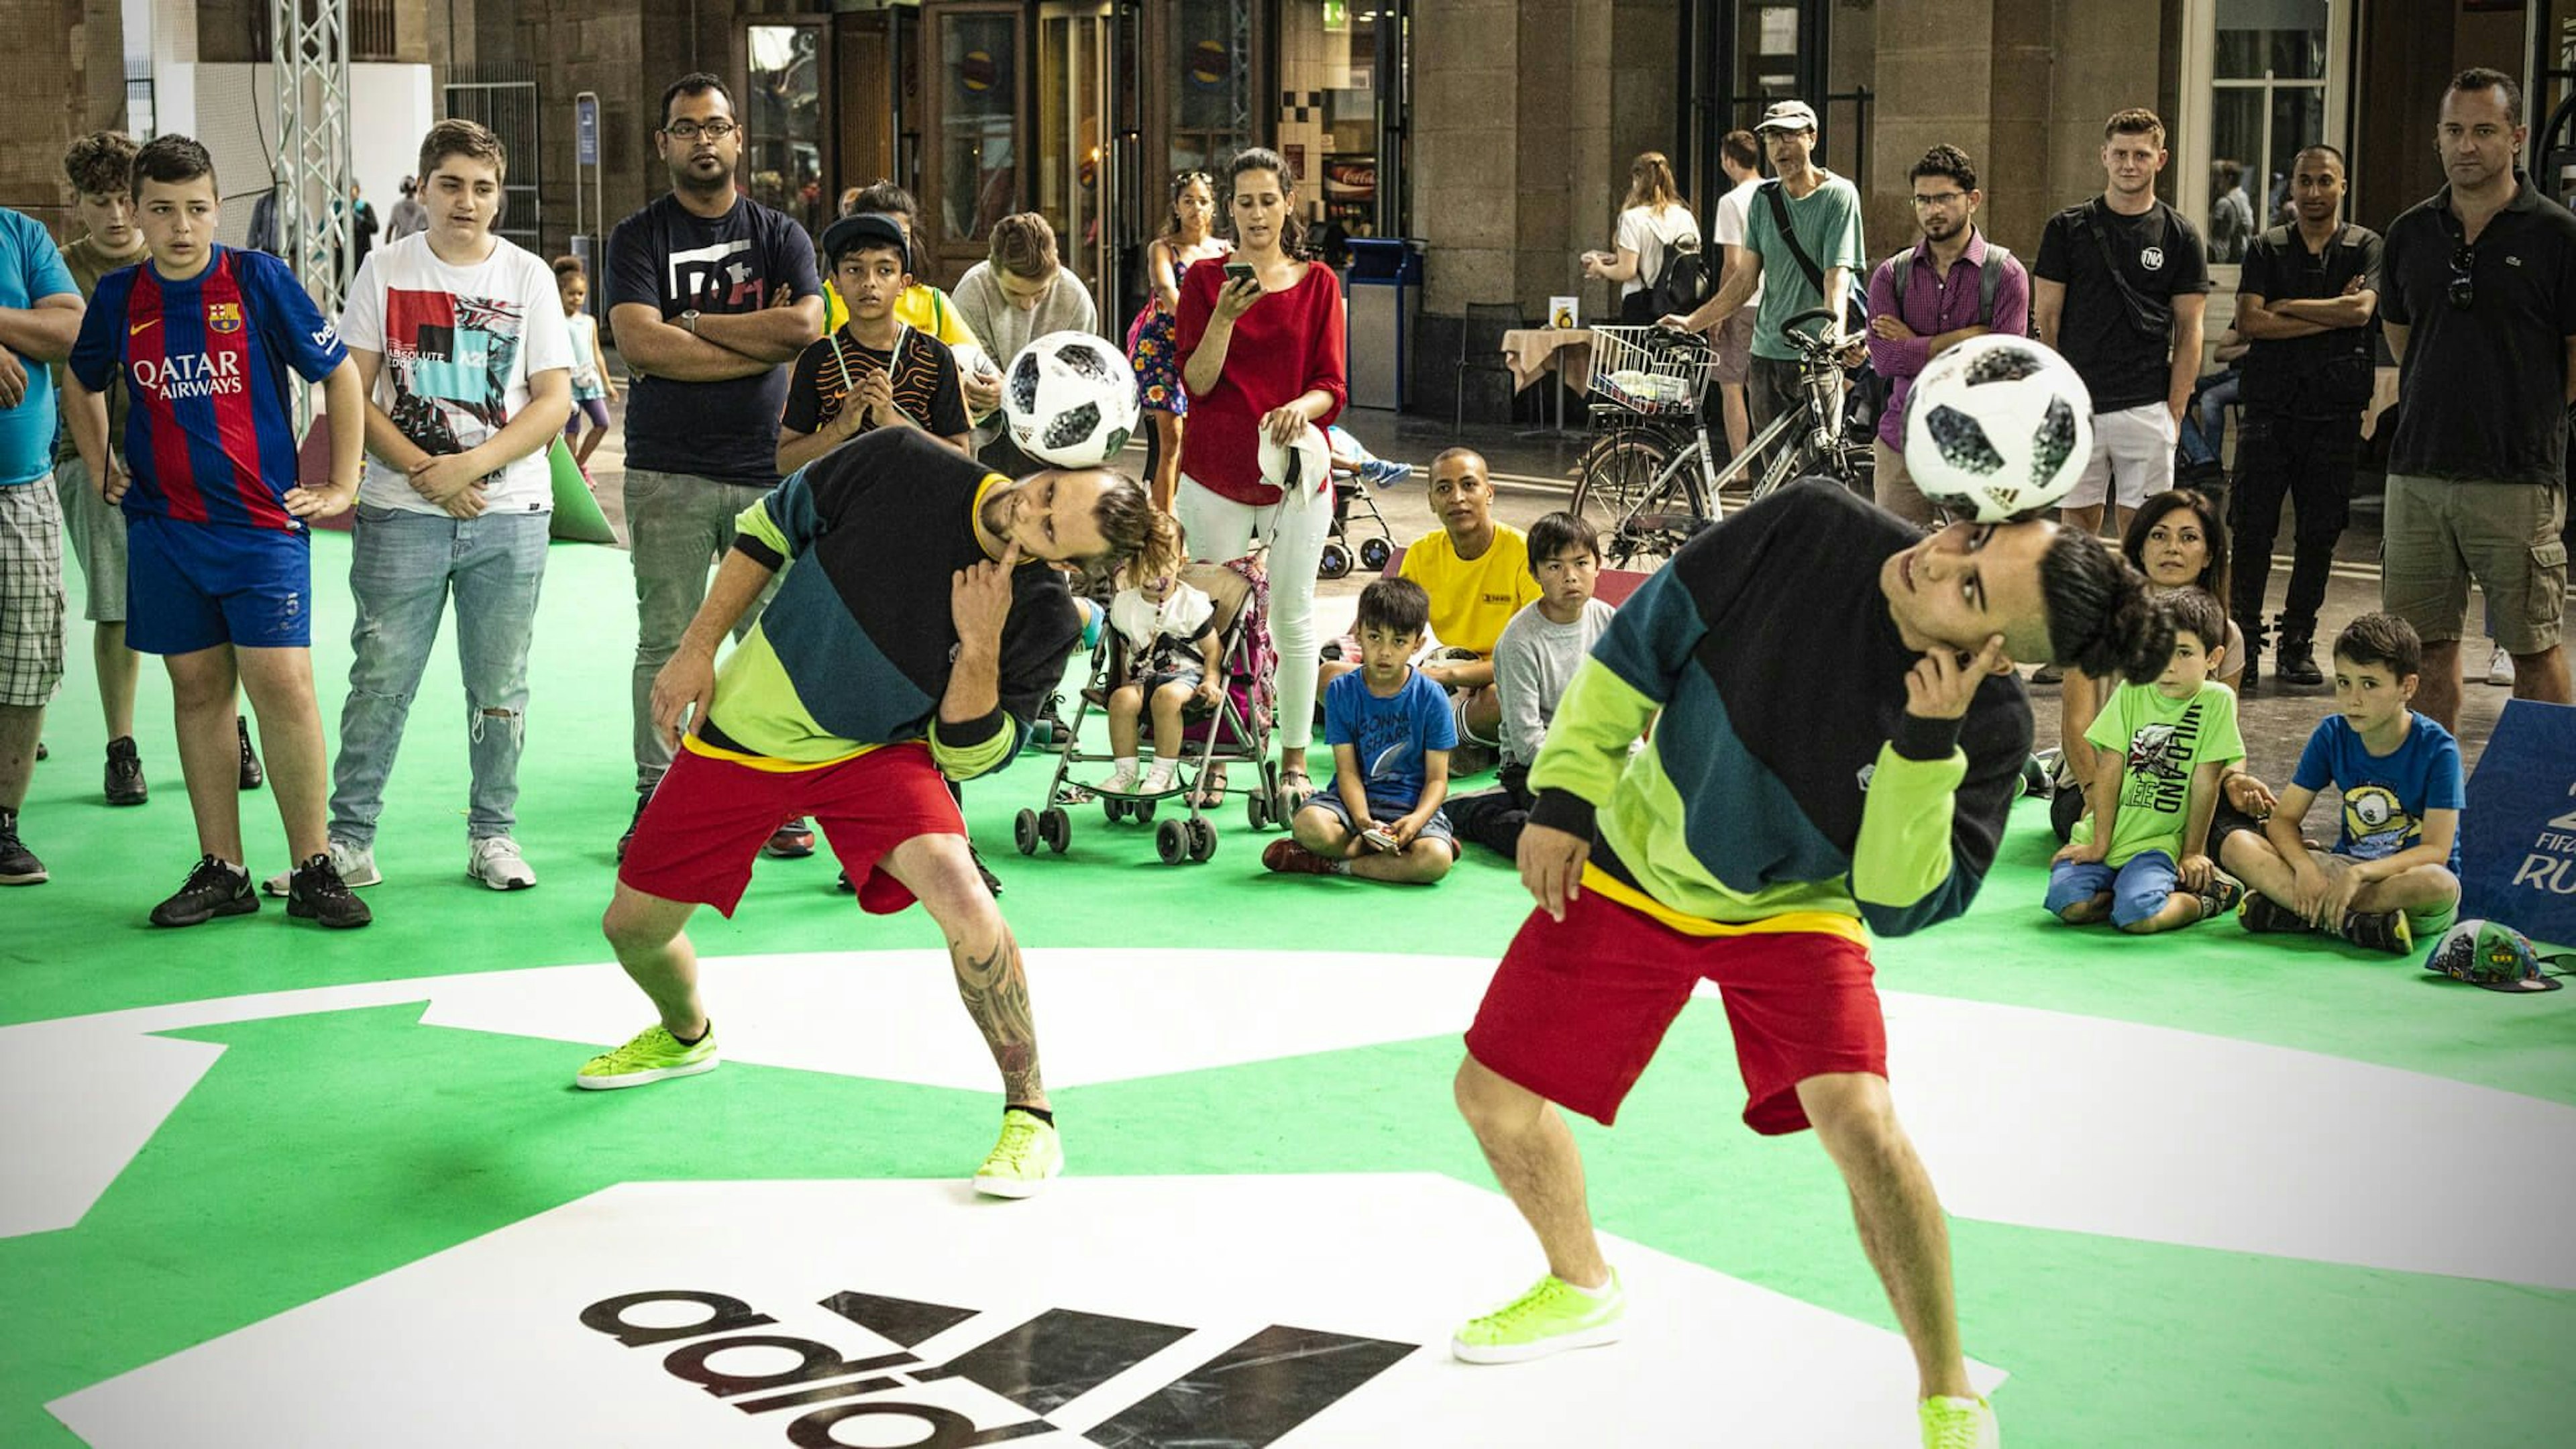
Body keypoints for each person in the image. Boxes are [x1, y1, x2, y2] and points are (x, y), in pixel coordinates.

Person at [1445, 479, 2172, 1449]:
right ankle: (1582, 1284)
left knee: (1864, 1124)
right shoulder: (1812, 522)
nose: (1938, 556)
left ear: (1992, 653)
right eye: (1970, 535)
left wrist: (1923, 745)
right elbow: (1644, 640)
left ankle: (1948, 1388)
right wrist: (1569, 797)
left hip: (1801, 907)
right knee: (1490, 1097)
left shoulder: (1991, 729)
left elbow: (1899, 903)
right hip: (1639, 856)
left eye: (1969, 592)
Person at [580, 425, 1182, 1199]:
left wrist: (981, 642)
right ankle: (686, 1032)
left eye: (1050, 527)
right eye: (1052, 490)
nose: (1032, 505)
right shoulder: (902, 461)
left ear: (1063, 562)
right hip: (744, 732)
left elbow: (968, 756)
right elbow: (770, 529)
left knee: (966, 899)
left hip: (874, 755)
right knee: (630, 928)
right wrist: (697, 647)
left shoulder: (1043, 618)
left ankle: (1031, 1115)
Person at [62, 133, 372, 928]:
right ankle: (223, 870)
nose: (181, 226)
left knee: (284, 688)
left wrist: (342, 481)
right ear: (135, 211)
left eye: (196, 209)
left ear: (217, 207)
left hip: (261, 528)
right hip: (165, 529)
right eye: (161, 210)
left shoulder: (259, 280)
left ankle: (312, 867)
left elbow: (338, 372)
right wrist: (101, 461)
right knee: (198, 691)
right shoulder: (118, 299)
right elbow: (80, 376)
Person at [282, 117, 574, 898]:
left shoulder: (528, 278)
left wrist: (471, 466)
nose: (466, 201)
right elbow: (349, 389)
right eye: (450, 185)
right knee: (380, 677)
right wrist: (423, 471)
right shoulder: (383, 270)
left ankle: (494, 835)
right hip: (398, 512)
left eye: (482, 188)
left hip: (508, 517)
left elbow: (553, 403)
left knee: (500, 685)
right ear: (422, 189)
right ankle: (348, 842)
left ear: (499, 197)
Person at [606, 72, 825, 862]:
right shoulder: (638, 237)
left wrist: (693, 325)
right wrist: (749, 344)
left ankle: (768, 797)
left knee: (770, 643)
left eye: (717, 126)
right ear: (666, 143)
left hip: (767, 475)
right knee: (665, 639)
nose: (705, 139)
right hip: (667, 472)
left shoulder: (782, 235)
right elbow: (639, 346)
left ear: (740, 140)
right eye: (688, 127)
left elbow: (804, 326)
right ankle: (657, 797)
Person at [2375, 66, 2575, 732]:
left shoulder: (2557, 235)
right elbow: (2404, 341)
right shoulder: (2408, 233)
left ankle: (2536, 808)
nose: (2468, 145)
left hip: (2515, 476)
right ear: (2438, 138)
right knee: (2419, 653)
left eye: (2484, 130)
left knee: (2534, 650)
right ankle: (2429, 809)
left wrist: (2520, 412)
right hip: (2418, 475)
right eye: (2455, 130)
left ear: (2516, 137)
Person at [1176, 146, 1348, 812]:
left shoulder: (1319, 284)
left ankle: (1296, 759)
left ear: (1288, 204)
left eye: (1267, 200)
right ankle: (1218, 754)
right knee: (1215, 618)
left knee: (1292, 614)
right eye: (1244, 201)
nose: (1256, 213)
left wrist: (1295, 411)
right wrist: (1223, 313)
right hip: (1215, 469)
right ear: (1229, 208)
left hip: (1296, 469)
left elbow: (1331, 388)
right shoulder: (1202, 280)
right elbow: (1196, 381)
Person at [2220, 612, 2463, 956]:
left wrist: (2360, 875)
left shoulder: (2438, 749)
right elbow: (2283, 820)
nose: (2353, 698)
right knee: (2237, 845)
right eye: (2345, 682)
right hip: (2344, 867)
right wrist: (2305, 867)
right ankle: (2356, 925)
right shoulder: (2332, 734)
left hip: (2400, 879)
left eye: (2370, 684)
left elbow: (2435, 851)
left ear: (2407, 687)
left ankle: (2301, 912)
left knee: (2437, 885)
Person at [2231, 144, 2381, 694]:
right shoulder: (2266, 246)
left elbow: (2362, 312)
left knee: (2320, 535)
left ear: (2343, 185)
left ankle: (2298, 644)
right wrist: (2330, 317)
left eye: (2325, 181)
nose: (2314, 192)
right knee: (2251, 532)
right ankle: (2243, 646)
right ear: (2289, 187)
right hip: (2269, 412)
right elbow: (2250, 322)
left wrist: (2287, 306)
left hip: (2336, 416)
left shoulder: (2366, 246)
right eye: (2304, 182)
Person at [2034, 108, 2211, 546]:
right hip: (2080, 401)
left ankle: (2138, 612)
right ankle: (2087, 610)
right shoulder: (2066, 228)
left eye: (2141, 155)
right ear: (2104, 156)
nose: (2129, 164)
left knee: (2146, 531)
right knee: (2078, 526)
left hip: (2147, 401)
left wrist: (2175, 409)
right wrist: (2058, 395)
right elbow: (2047, 318)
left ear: (2161, 159)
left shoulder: (2180, 235)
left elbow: (2191, 329)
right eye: (2120, 154)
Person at [2052, 487, 2259, 847]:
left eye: (2189, 537)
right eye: (2159, 535)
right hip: (2100, 781)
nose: (2173, 548)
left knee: (2235, 834)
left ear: (2209, 555)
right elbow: (2076, 725)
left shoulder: (2227, 635)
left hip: (2183, 785)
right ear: (2140, 548)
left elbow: (2220, 736)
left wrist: (2233, 780)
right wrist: (2092, 792)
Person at [48, 131, 153, 808]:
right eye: (99, 201)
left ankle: (232, 728)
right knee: (117, 605)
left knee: (213, 603)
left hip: (177, 463)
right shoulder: (55, 271)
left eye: (125, 200)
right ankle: (122, 750)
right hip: (89, 463)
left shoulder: (177, 259)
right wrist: (97, 460)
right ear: (77, 204)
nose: (116, 215)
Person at [1660, 101, 1865, 445]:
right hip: (1766, 353)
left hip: (1814, 358)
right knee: (1772, 474)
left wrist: (1833, 335)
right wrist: (1692, 322)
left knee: (1820, 472)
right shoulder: (1764, 200)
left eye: (1789, 136)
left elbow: (1836, 275)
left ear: (1812, 138)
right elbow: (1743, 280)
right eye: (1771, 138)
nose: (1779, 147)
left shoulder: (1838, 196)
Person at [2046, 588, 2246, 934]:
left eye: (2184, 653)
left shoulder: (2217, 701)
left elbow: (2206, 782)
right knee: (2068, 904)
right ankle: (2122, 890)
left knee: (2138, 918)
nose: (2169, 666)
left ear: (2213, 658)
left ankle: (2210, 896)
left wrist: (2192, 853)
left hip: (2158, 844)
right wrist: (2100, 843)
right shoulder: (2132, 690)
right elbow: (2109, 769)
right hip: (2107, 834)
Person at [1866, 144, 2032, 528]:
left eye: (1944, 198)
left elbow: (2001, 367)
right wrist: (1965, 338)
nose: (1932, 210)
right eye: (1923, 200)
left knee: (1975, 563)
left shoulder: (2005, 274)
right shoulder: (1892, 275)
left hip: (1978, 444)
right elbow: (1886, 361)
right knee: (1897, 559)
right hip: (1902, 441)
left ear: (1973, 200)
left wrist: (1912, 340)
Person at [1263, 576, 1456, 884]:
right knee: (1308, 824)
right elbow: (1348, 772)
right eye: (1375, 637)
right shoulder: (1342, 691)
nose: (1384, 652)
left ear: (1417, 644)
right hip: (1350, 804)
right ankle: (1391, 858)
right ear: (1359, 636)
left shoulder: (1432, 697)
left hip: (1410, 806)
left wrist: (1417, 821)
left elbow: (1437, 780)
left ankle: (1335, 865)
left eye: (1399, 642)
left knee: (1435, 860)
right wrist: (1363, 820)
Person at [1446, 511, 1616, 860]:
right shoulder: (1519, 641)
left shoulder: (1609, 621)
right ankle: (1473, 810)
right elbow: (1527, 744)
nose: (1570, 577)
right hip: (1534, 769)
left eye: (1581, 563)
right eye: (1555, 567)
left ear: (1599, 565)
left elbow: (1622, 714)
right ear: (1535, 573)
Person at [0, 202, 85, 886]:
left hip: (22, 489)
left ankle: (2, 822)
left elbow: (67, 330)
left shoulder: (20, 234)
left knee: (26, 662)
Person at [776, 212, 973, 474]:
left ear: (904, 283)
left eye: (885, 271)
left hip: (919, 508)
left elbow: (962, 459)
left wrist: (893, 422)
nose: (869, 282)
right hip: (839, 511)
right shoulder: (818, 359)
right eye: (854, 270)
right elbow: (785, 462)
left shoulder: (935, 357)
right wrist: (841, 427)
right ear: (835, 282)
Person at [1393, 448, 1539, 766]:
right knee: (1333, 676)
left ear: (1489, 493)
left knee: (1505, 698)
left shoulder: (1524, 553)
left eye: (1469, 485)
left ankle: (1441, 739)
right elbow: (1391, 632)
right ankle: (1454, 738)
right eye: (1444, 488)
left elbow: (1535, 660)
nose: (1457, 498)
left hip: (1502, 677)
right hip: (1445, 681)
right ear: (1431, 500)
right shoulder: (1421, 554)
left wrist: (1447, 674)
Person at [827, 180, 1002, 416]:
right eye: (880, 234)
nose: (892, 244)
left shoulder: (934, 303)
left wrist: (994, 391)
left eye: (902, 236)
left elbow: (982, 369)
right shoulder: (824, 301)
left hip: (921, 443)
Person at [952, 212, 1099, 477]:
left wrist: (1010, 393)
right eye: (1015, 293)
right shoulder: (972, 291)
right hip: (986, 435)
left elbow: (1082, 383)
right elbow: (969, 373)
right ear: (993, 271)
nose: (1028, 305)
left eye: (1039, 293)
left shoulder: (1076, 298)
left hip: (1055, 432)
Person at [1129, 171, 1229, 512]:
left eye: (1203, 201)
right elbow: (1166, 291)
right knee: (1170, 439)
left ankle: (1192, 514)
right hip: (1161, 349)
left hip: (1205, 350)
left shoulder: (1226, 251)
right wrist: (1208, 324)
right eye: (1188, 201)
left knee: (1198, 439)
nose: (1196, 208)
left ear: (1214, 207)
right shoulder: (1164, 248)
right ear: (1176, 206)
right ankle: (1165, 524)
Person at [1098, 563, 1223, 798]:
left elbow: (1213, 650)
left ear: (1180, 560)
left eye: (1162, 562)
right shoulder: (1125, 604)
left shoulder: (1191, 604)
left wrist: (1211, 681)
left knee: (1166, 696)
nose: (1153, 571)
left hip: (1187, 677)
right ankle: (1126, 773)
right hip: (1145, 676)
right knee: (1121, 699)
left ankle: (1163, 773)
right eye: (1144, 563)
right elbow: (1125, 651)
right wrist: (1126, 684)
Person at [1579, 152, 1697, 326]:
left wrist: (1600, 268)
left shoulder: (1632, 218)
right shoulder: (1685, 216)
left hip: (1641, 305)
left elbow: (1627, 271)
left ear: (1638, 179)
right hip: (1679, 302)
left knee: (1639, 353)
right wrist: (1616, 259)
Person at [1703, 131, 1766, 463]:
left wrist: (1719, 313)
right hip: (1773, 304)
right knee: (1763, 389)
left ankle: (1739, 468)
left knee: (1731, 384)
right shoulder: (1774, 192)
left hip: (1743, 302)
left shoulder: (1732, 202)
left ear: (1729, 160)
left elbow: (1732, 263)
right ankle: (1773, 467)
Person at [555, 257, 619, 473]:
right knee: (572, 429)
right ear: (561, 294)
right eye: (571, 294)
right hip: (568, 384)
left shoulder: (589, 322)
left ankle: (580, 465)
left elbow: (597, 354)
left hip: (591, 382)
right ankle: (574, 472)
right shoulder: (556, 321)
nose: (576, 299)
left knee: (602, 423)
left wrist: (607, 384)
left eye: (580, 294)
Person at [2208, 160, 2255, 264]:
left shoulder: (2225, 203)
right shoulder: (2243, 196)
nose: (2216, 181)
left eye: (2219, 177)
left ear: (2228, 179)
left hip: (2227, 256)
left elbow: (2217, 235)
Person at [385, 176, 428, 242]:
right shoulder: (422, 207)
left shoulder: (397, 207)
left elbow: (390, 230)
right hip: (413, 243)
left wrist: (388, 248)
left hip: (403, 244)